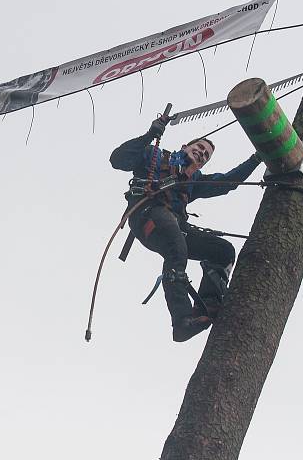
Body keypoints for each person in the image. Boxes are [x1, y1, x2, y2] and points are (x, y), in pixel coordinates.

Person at [110, 116, 261, 342]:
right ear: (185, 147)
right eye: (199, 148)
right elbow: (118, 160)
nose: (202, 153)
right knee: (176, 247)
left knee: (223, 251)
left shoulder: (194, 179)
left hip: (175, 227)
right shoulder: (155, 155)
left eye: (206, 155)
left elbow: (228, 182)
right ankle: (181, 320)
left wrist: (257, 159)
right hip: (147, 216)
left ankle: (207, 306)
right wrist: (150, 134)